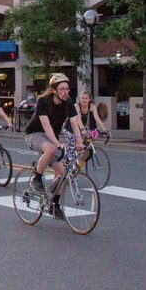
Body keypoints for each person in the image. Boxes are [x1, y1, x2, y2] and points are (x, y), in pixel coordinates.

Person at [24, 73, 85, 218]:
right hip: (35, 134)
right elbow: (46, 126)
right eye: (62, 89)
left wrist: (79, 141)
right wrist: (57, 143)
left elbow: (74, 122)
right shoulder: (43, 101)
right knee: (51, 149)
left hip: (52, 137)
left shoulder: (68, 101)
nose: (66, 92)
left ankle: (53, 204)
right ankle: (36, 178)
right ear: (54, 90)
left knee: (63, 175)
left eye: (67, 89)